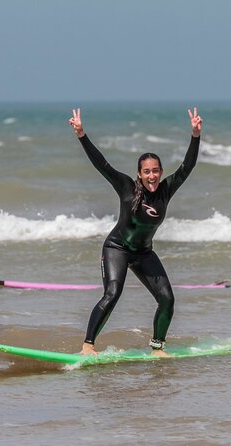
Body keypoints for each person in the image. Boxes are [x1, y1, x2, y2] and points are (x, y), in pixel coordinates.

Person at [68, 107, 202, 356]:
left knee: (167, 299)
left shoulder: (165, 190)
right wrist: (81, 135)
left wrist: (195, 135)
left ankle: (157, 347)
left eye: (156, 171)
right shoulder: (127, 187)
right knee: (113, 293)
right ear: (139, 173)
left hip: (143, 252)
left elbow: (187, 166)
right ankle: (88, 345)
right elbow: (102, 164)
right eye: (147, 171)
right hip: (117, 248)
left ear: (160, 172)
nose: (152, 176)